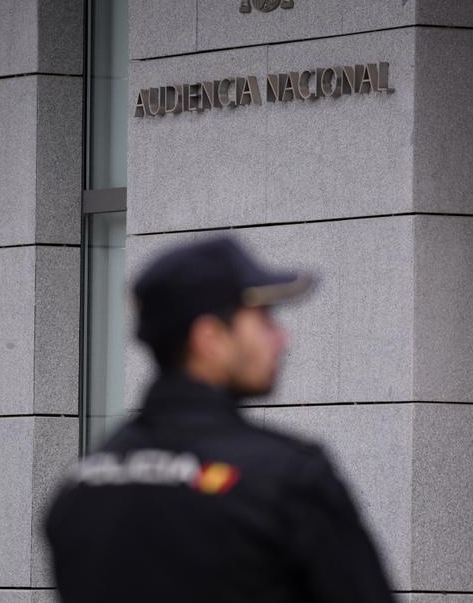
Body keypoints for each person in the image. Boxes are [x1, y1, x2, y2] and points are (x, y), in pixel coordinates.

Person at [44, 236, 395, 603]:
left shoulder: (80, 489)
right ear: (209, 338)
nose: (281, 339)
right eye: (263, 320)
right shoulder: (287, 479)